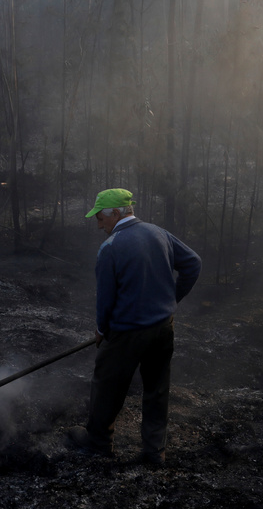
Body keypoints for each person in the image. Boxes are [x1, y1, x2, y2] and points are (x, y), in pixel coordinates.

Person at [68, 188, 201, 467]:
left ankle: (98, 444)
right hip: (163, 327)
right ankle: (155, 452)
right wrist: (170, 300)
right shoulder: (159, 233)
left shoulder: (111, 247)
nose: (99, 225)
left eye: (100, 219)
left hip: (126, 333)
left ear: (116, 213)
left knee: (107, 386)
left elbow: (105, 299)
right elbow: (193, 263)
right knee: (157, 389)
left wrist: (101, 329)